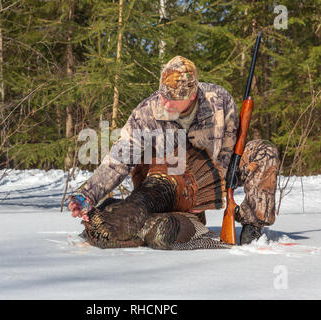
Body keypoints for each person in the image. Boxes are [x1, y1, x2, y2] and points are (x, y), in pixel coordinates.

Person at [68, 56, 279, 245]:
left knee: (264, 151)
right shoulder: (147, 111)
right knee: (161, 230)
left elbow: (228, 152)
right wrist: (88, 195)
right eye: (163, 95)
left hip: (207, 182)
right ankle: (152, 217)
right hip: (164, 186)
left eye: (173, 98)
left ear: (193, 94)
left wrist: (214, 193)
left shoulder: (219, 101)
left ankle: (253, 227)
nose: (165, 103)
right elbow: (119, 158)